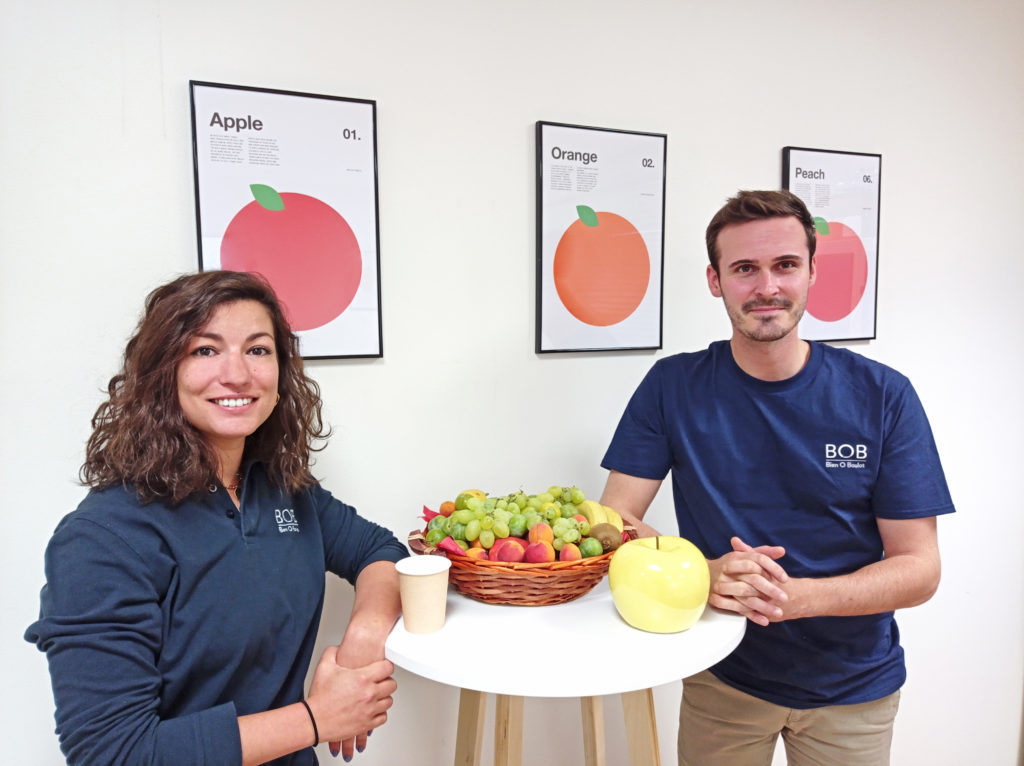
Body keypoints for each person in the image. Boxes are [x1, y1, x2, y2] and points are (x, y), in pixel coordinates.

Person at [599, 190, 954, 766]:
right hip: (723, 675)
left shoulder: (884, 395)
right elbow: (613, 520)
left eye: (785, 265)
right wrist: (701, 573)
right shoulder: (672, 386)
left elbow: (920, 569)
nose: (767, 287)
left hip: (854, 689)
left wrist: (799, 598)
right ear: (715, 281)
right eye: (745, 268)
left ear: (812, 272)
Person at [25, 270, 408, 765]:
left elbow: (380, 551)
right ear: (163, 371)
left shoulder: (282, 488)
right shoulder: (101, 538)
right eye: (205, 350)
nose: (238, 374)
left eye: (258, 349)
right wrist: (317, 719)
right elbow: (113, 753)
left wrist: (364, 637)